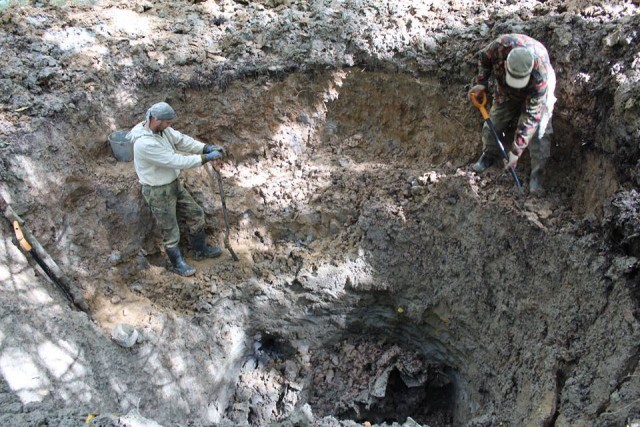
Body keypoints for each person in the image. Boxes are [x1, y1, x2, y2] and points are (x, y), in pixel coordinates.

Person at [127, 102, 225, 277]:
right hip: (158, 191)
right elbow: (176, 161)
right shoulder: (144, 143)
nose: (170, 126)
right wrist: (206, 158)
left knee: (196, 214)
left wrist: (205, 147)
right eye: (167, 122)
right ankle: (177, 264)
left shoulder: (162, 130)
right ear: (155, 119)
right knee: (171, 230)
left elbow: (181, 140)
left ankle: (200, 250)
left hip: (173, 184)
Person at [469, 34, 556, 195]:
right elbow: (483, 58)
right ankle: (488, 156)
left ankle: (536, 177)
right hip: (505, 89)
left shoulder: (540, 77)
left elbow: (532, 118)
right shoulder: (499, 48)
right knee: (492, 125)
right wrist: (481, 82)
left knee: (540, 133)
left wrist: (516, 151)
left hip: (537, 95)